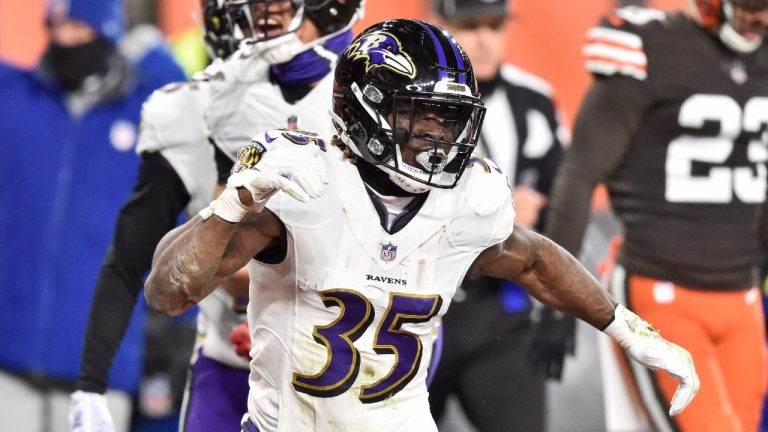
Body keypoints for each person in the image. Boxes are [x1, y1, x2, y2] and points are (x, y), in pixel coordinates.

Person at [144, 19, 699, 432]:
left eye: (451, 118)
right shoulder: (305, 186)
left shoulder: (466, 201)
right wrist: (235, 201)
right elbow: (169, 292)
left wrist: (630, 330)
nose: (441, 137)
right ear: (365, 109)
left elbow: (535, 260)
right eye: (422, 116)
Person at [69, 0, 365, 431]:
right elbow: (132, 255)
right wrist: (92, 382)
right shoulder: (207, 103)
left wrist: (289, 325)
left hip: (348, 365)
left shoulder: (368, 98)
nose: (260, 20)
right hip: (230, 359)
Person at [544, 2, 768, 431]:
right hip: (661, 289)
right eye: (754, 4)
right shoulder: (651, 47)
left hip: (742, 295)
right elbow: (581, 171)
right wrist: (558, 300)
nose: (763, 18)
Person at [0, 0, 186, 431]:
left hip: (100, 369)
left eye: (79, 29)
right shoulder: (17, 98)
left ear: (107, 32)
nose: (66, 39)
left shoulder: (144, 113)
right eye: (58, 27)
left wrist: (155, 54)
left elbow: (189, 109)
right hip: (8, 351)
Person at [425, 0, 571, 430]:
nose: (485, 40)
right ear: (440, 27)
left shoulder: (534, 101)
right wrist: (496, 212)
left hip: (498, 313)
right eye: (470, 26)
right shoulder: (410, 101)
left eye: (494, 25)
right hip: (416, 305)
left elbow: (560, 202)